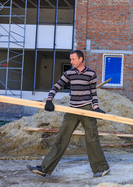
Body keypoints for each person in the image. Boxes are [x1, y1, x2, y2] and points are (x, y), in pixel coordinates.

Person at [26, 50, 110, 178]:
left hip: (87, 108)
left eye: (73, 59)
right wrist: (49, 100)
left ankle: (102, 168)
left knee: (92, 138)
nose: (71, 62)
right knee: (61, 137)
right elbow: (57, 86)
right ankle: (44, 168)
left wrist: (96, 107)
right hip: (72, 109)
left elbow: (93, 92)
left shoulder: (91, 74)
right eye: (70, 59)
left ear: (81, 59)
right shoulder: (69, 73)